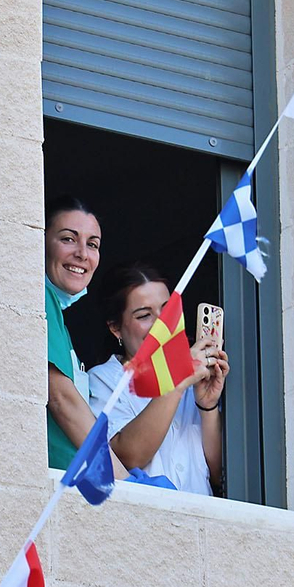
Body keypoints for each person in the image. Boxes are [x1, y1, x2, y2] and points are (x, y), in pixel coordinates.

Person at [86, 263, 226, 495]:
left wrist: (207, 405)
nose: (162, 326)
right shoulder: (102, 380)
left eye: (168, 311)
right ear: (115, 328)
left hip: (202, 523)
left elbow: (220, 474)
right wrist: (178, 383)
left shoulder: (195, 377)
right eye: (144, 315)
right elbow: (127, 458)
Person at [44, 194, 102, 469]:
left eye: (92, 244)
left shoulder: (56, 312)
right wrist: (123, 479)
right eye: (68, 238)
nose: (82, 253)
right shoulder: (39, 296)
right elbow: (61, 399)